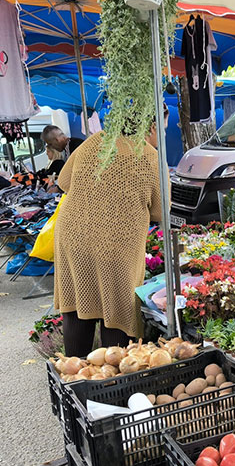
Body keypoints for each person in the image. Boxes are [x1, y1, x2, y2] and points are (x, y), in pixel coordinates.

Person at [53, 109, 166, 357]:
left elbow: (63, 181)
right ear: (151, 128)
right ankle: (112, 381)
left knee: (76, 305)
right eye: (164, 129)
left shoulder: (94, 141)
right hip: (116, 244)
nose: (163, 135)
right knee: (117, 309)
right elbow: (160, 210)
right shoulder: (150, 157)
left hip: (73, 235)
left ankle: (75, 378)